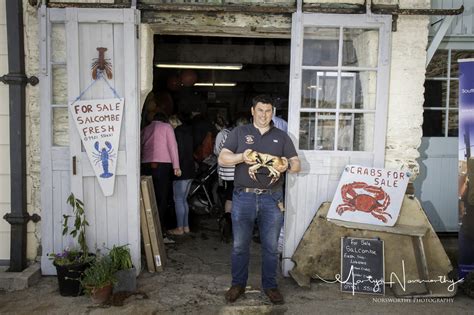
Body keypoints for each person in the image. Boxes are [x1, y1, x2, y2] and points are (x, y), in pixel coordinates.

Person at [218, 95, 301, 305]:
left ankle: (270, 286)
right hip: (243, 196)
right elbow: (223, 157)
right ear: (252, 111)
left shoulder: (282, 137)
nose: (264, 115)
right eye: (260, 110)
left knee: (271, 246)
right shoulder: (240, 132)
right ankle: (238, 284)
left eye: (268, 111)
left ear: (273, 112)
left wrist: (287, 166)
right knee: (239, 245)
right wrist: (241, 157)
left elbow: (296, 163)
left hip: (272, 199)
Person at [141, 112, 181, 242]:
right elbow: (172, 146)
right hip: (163, 165)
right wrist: (176, 166)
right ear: (164, 120)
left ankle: (147, 231)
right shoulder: (167, 127)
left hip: (146, 164)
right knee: (162, 198)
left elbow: (140, 146)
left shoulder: (145, 129)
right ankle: (160, 232)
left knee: (148, 197)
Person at [214, 116, 249, 241]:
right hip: (242, 173)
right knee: (242, 198)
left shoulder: (228, 136)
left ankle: (227, 223)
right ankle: (238, 227)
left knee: (230, 196)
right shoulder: (248, 138)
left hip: (229, 174)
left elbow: (220, 153)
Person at [168, 113, 196, 235]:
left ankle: (179, 228)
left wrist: (175, 168)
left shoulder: (175, 134)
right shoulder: (188, 133)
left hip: (181, 171)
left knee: (178, 200)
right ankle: (186, 227)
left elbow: (176, 153)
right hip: (190, 170)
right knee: (184, 200)